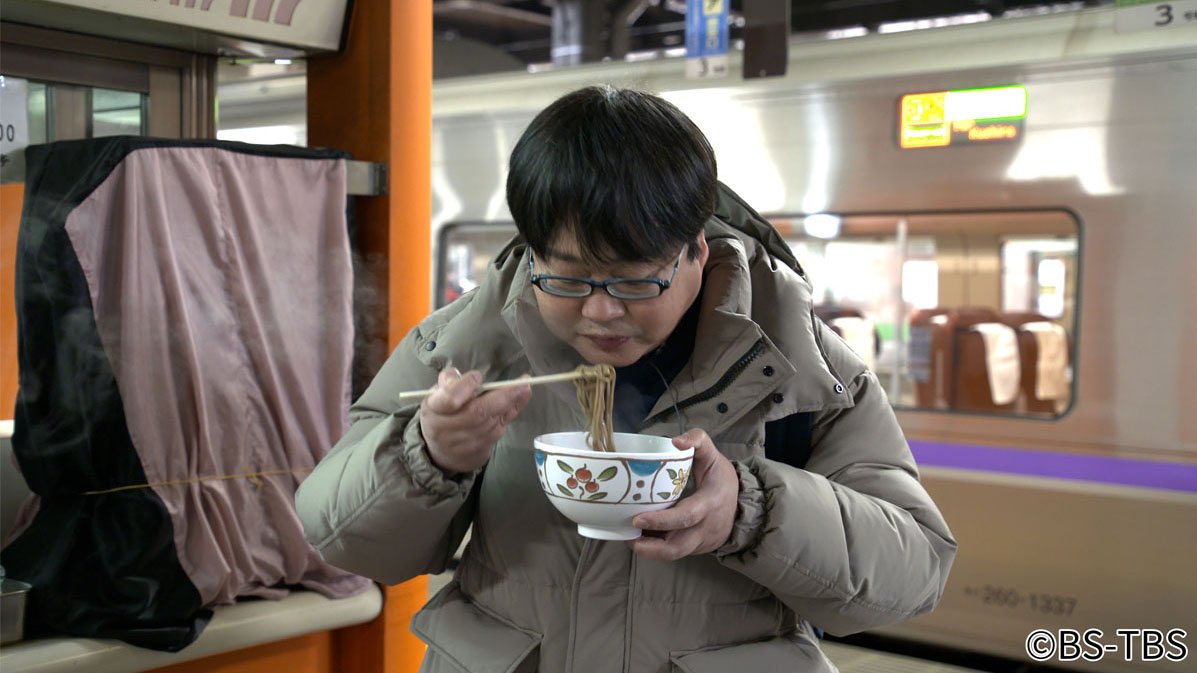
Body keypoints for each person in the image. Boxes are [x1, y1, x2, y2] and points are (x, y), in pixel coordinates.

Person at [296, 85, 956, 673]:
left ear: (697, 249)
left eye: (636, 279)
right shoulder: (467, 344)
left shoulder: (800, 363)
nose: (601, 310)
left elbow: (914, 573)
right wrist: (427, 456)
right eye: (568, 277)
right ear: (529, 251)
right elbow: (336, 535)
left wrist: (751, 512)